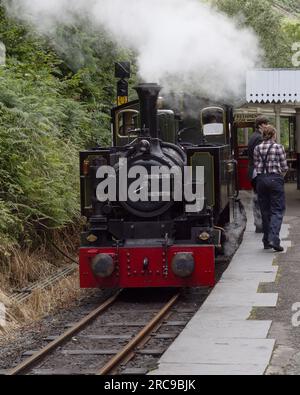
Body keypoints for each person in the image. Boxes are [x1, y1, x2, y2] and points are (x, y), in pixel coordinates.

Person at [254, 125, 288, 252]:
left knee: (265, 211)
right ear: (274, 134)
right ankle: (274, 239)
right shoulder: (279, 147)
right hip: (275, 179)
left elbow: (257, 165)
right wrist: (279, 177)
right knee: (277, 210)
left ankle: (266, 241)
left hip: (261, 180)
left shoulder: (258, 148)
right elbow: (284, 167)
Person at [248, 116, 270, 233]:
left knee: (257, 198)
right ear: (261, 125)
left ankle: (258, 224)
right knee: (261, 199)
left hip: (253, 170)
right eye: (266, 124)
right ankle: (260, 225)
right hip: (257, 171)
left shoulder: (253, 136)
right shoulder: (259, 138)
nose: (267, 126)